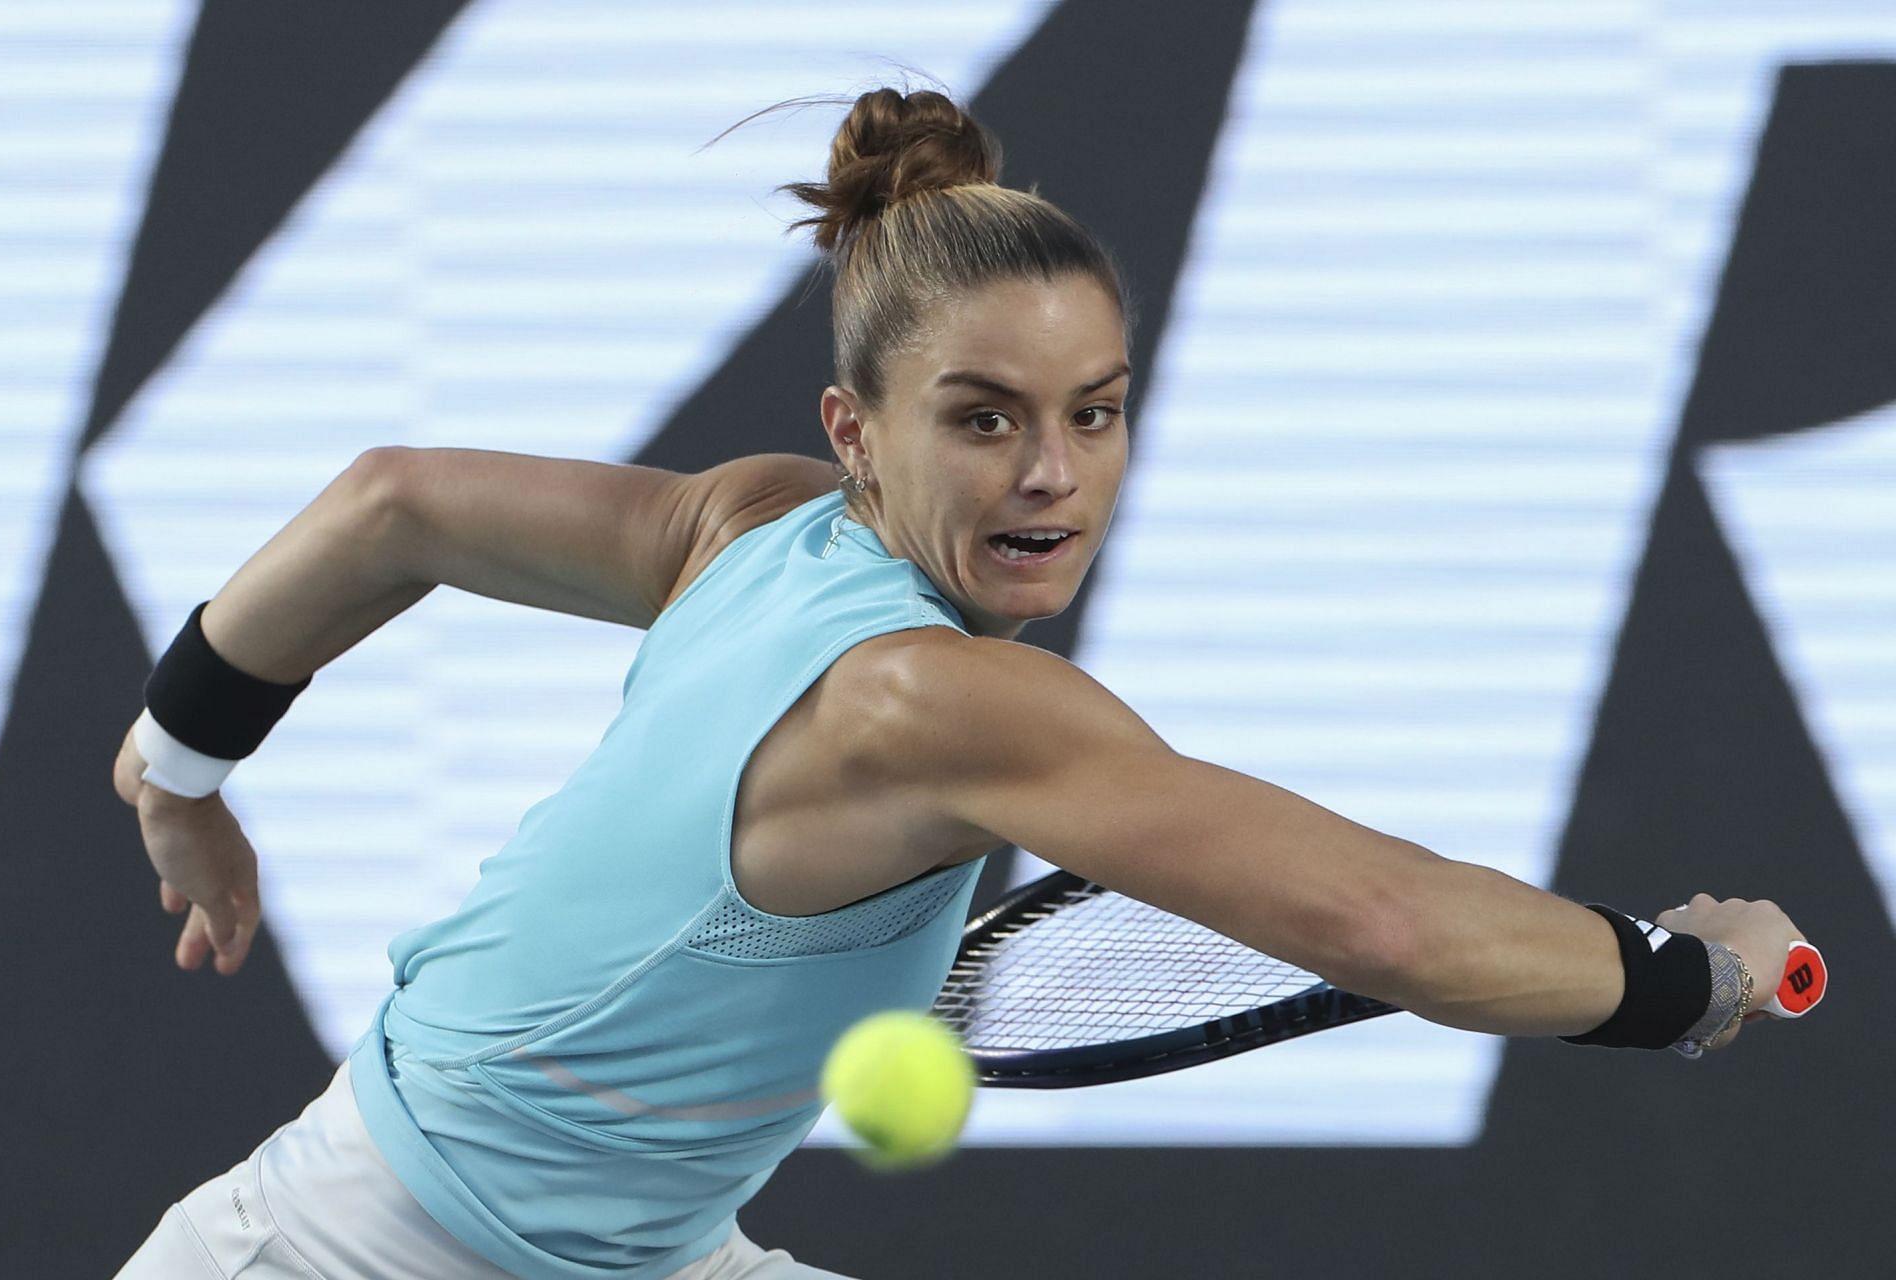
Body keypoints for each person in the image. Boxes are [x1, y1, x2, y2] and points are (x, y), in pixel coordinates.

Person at [111, 87, 1806, 1279]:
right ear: (860, 432)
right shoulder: (945, 706)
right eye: (984, 417)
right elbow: (1384, 926)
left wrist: (175, 770)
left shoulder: (747, 525)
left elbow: (394, 505)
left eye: (1096, 409)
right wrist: (1687, 980)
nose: (1052, 475)